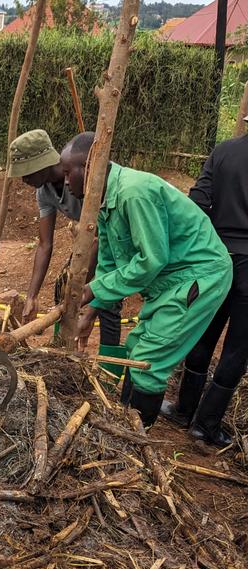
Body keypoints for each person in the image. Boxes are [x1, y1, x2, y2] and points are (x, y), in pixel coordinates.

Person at [62, 135, 233, 427]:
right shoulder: (104, 199)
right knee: (137, 345)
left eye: (68, 172)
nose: (65, 182)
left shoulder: (134, 192)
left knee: (149, 360)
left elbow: (151, 260)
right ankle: (124, 421)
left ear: (90, 165)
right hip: (169, 281)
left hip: (198, 277)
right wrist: (91, 310)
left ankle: (136, 439)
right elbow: (110, 262)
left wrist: (92, 289)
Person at [160, 119, 248, 446]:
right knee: (238, 348)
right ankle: (206, 424)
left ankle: (184, 409)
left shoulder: (224, 151)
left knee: (204, 331)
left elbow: (198, 202)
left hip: (216, 260)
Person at [7, 129, 121, 346]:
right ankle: (64, 347)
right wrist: (32, 296)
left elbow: (102, 239)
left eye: (27, 173)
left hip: (113, 240)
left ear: (42, 164)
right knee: (63, 289)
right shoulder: (44, 192)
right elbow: (44, 244)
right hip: (90, 240)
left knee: (108, 302)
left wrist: (82, 280)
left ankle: (110, 367)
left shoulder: (83, 178)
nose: (24, 180)